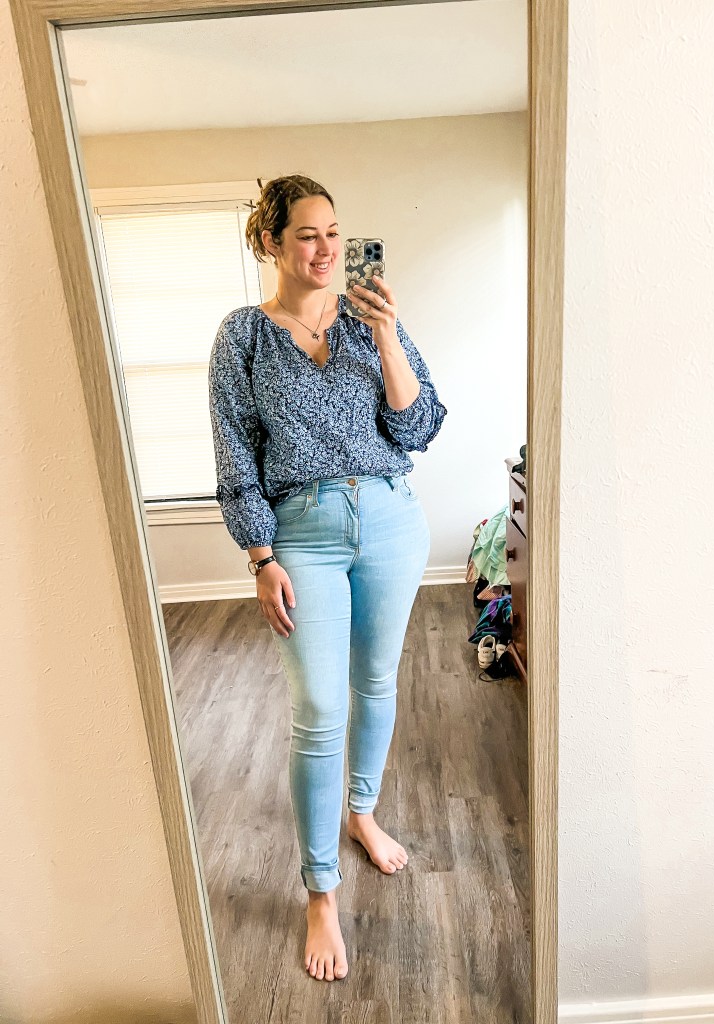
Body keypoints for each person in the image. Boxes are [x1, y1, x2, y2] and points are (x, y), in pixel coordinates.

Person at [208, 174, 447, 982]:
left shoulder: (368, 318)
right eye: (307, 234)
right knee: (317, 710)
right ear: (270, 242)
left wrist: (386, 335)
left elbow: (419, 425)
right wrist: (260, 556)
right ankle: (320, 892)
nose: (326, 249)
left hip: (390, 517)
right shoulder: (242, 336)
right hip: (301, 533)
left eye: (335, 232)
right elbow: (236, 452)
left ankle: (362, 813)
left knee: (376, 682)